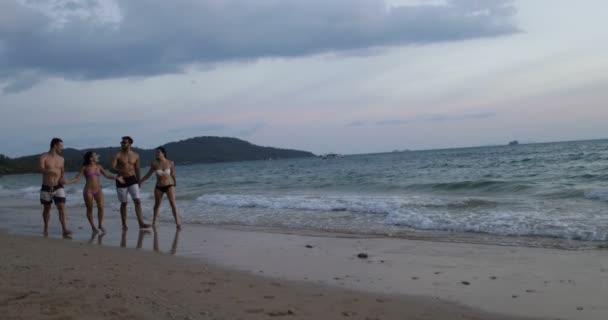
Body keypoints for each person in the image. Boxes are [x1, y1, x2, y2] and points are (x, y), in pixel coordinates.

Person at [67, 151, 124, 234]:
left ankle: (100, 225)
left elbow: (107, 175)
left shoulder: (99, 167)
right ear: (91, 158)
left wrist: (116, 178)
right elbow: (77, 178)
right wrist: (67, 182)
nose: (98, 156)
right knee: (89, 209)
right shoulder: (85, 168)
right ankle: (93, 227)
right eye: (95, 155)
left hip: (98, 190)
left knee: (101, 207)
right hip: (88, 191)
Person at [111, 136, 150, 230]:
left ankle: (141, 223)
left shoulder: (136, 155)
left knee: (137, 201)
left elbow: (137, 168)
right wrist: (119, 171)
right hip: (121, 180)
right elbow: (111, 168)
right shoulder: (118, 155)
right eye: (121, 142)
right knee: (124, 203)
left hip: (132, 179)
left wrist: (139, 180)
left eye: (124, 142)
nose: (122, 144)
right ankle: (124, 224)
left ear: (130, 144)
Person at [141, 146, 181, 229]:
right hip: (159, 186)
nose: (156, 154)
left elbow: (172, 174)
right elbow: (148, 174)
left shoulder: (170, 163)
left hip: (169, 185)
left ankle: (177, 223)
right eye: (156, 152)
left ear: (163, 153)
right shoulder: (154, 163)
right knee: (157, 205)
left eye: (158, 152)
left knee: (173, 204)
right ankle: (154, 221)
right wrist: (141, 181)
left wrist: (175, 182)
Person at [39, 138, 72, 237]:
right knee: (47, 209)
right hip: (46, 186)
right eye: (61, 146)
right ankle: (45, 227)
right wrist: (49, 171)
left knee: (62, 207)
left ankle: (64, 229)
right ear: (55, 145)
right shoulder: (44, 156)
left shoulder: (61, 159)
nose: (62, 148)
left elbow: (62, 172)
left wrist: (62, 178)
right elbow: (41, 169)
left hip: (58, 186)